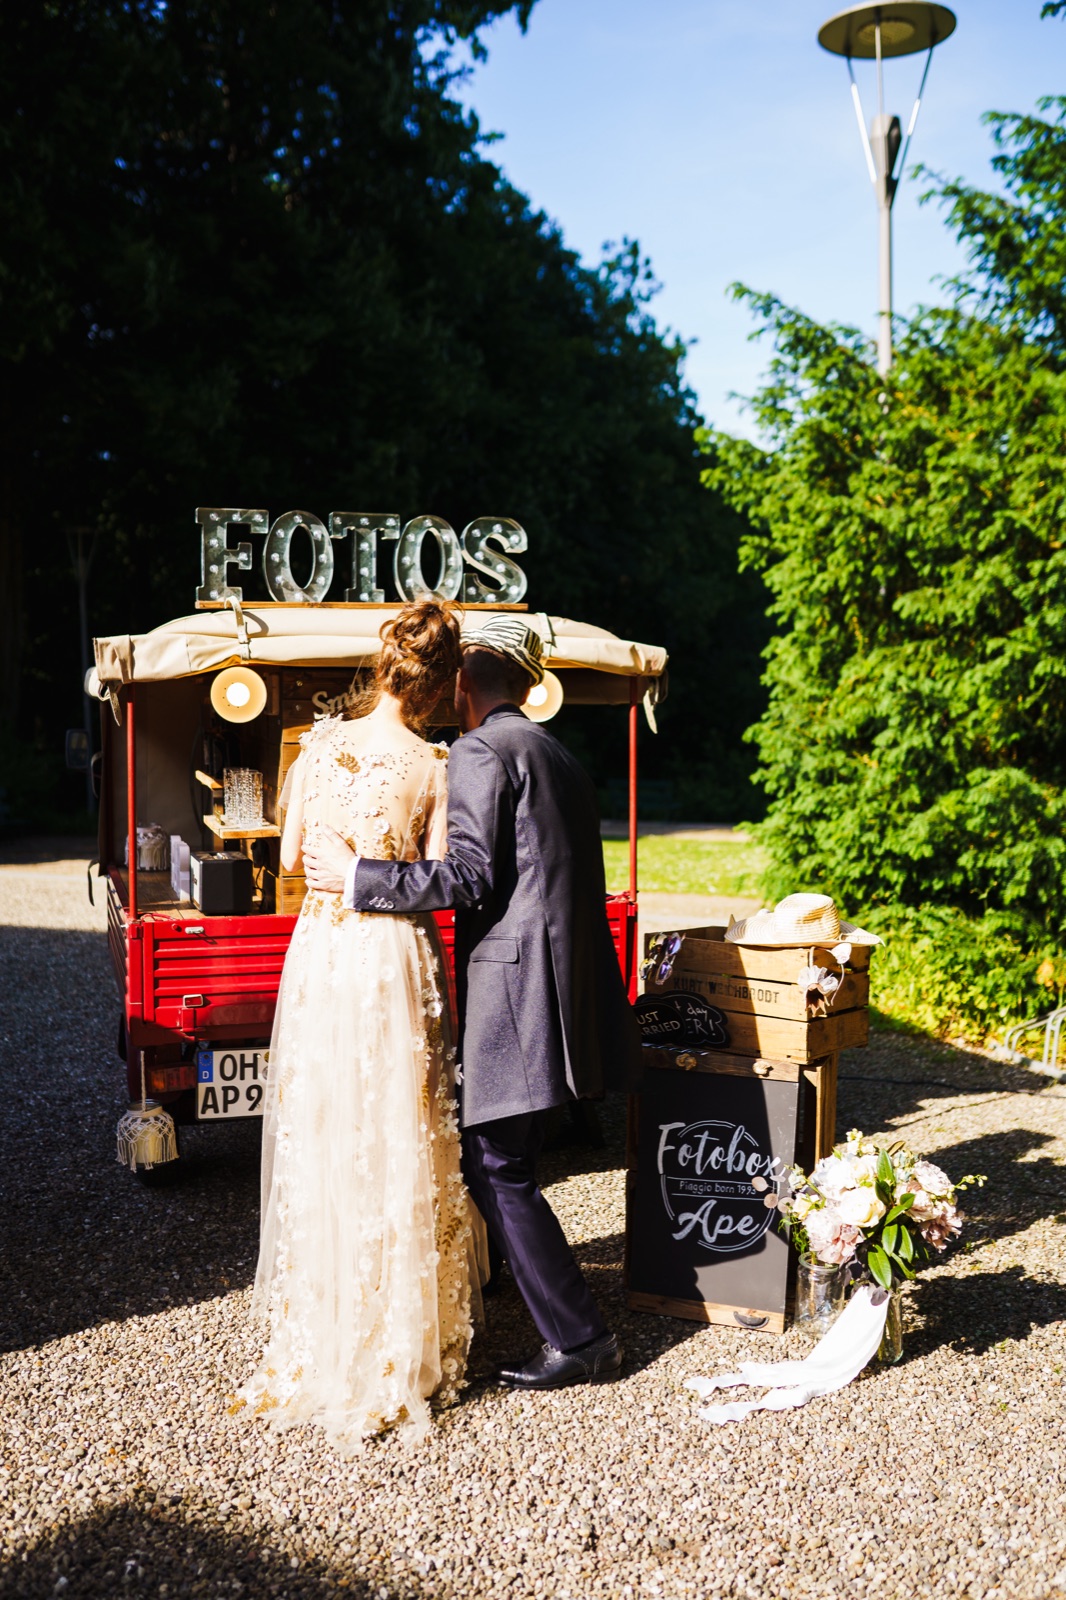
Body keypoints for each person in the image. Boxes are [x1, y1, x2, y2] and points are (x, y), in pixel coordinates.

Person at [304, 616, 643, 1391]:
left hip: (517, 992)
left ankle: (582, 1337)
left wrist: (358, 878)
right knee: (503, 1160)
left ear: (464, 678)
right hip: (558, 989)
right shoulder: (556, 752)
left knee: (498, 1165)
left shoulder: (481, 750)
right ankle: (536, 1307)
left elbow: (469, 877)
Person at [237, 600, 483, 1450]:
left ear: (382, 667)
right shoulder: (434, 763)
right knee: (400, 1130)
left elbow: (294, 857)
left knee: (326, 1125)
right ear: (445, 682)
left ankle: (323, 1327)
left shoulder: (316, 746)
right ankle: (395, 1338)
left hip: (324, 958)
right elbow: (439, 873)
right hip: (393, 958)